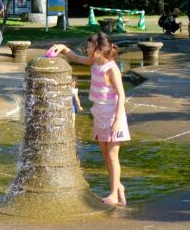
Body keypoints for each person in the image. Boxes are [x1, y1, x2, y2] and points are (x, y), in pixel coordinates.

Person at [50, 32, 130, 206]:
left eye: (89, 46)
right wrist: (63, 49)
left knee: (112, 155)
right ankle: (119, 187)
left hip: (113, 116)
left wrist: (117, 120)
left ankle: (113, 194)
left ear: (99, 49)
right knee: (106, 157)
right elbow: (76, 58)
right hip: (99, 113)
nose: (86, 49)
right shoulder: (93, 62)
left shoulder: (112, 68)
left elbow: (122, 95)